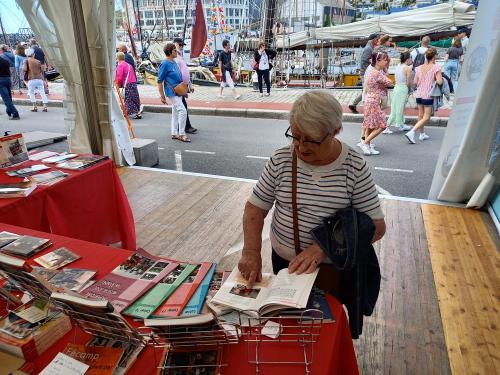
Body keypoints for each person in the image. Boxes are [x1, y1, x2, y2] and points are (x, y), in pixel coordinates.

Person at [237, 91, 385, 285]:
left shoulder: (354, 167)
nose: (301, 147)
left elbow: (377, 227)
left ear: (335, 130)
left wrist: (323, 246)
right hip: (284, 264)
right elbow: (255, 209)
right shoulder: (281, 159)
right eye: (296, 137)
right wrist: (251, 251)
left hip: (332, 270)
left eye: (311, 139)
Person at [405, 48, 443, 144]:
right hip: (428, 94)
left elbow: (415, 82)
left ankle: (422, 134)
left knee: (420, 115)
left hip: (419, 93)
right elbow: (439, 82)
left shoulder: (419, 67)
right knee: (427, 117)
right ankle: (412, 131)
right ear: (434, 56)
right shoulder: (436, 67)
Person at [359, 51, 393, 156]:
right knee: (382, 125)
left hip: (370, 99)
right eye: (384, 60)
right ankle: (365, 143)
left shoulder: (371, 71)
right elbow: (390, 83)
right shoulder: (377, 73)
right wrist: (386, 70)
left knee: (370, 125)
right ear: (378, 61)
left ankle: (367, 145)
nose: (386, 61)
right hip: (375, 101)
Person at [157, 42, 190, 143]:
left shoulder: (174, 62)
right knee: (183, 111)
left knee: (175, 112)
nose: (177, 51)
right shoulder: (165, 63)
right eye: (175, 50)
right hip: (171, 92)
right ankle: (182, 134)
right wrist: (162, 96)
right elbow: (159, 81)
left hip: (178, 91)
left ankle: (174, 132)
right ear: (170, 52)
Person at [349, 33, 379, 114]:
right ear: (373, 40)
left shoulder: (370, 47)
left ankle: (353, 104)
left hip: (366, 72)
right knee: (366, 91)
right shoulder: (369, 48)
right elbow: (364, 60)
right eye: (377, 39)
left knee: (364, 90)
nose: (377, 41)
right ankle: (366, 110)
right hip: (365, 73)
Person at [174, 37, 197, 134]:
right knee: (182, 108)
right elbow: (175, 73)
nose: (182, 46)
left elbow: (185, 71)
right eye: (180, 45)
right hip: (178, 86)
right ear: (174, 44)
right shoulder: (174, 58)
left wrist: (189, 85)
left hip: (183, 86)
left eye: (182, 45)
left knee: (181, 108)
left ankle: (180, 128)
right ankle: (183, 128)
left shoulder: (180, 56)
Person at [386, 52, 413, 133]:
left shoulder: (398, 66)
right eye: (410, 58)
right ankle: (386, 126)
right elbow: (408, 82)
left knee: (396, 107)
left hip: (397, 87)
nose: (411, 60)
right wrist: (409, 89)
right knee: (398, 108)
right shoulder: (407, 68)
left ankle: (401, 124)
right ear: (407, 59)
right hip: (403, 88)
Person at [115, 52, 142, 119]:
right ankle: (138, 113)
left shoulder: (120, 65)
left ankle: (129, 113)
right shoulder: (129, 65)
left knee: (128, 99)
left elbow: (119, 77)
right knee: (135, 98)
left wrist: (118, 85)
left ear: (117, 58)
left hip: (127, 84)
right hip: (133, 83)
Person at [23, 47, 49, 112]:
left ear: (26, 55)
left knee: (31, 93)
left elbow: (24, 69)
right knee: (42, 92)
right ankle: (45, 107)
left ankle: (34, 107)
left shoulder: (26, 61)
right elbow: (42, 70)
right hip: (39, 79)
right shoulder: (38, 61)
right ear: (33, 54)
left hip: (31, 79)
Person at [0, 51, 20, 120]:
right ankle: (9, 111)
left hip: (1, 80)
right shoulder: (5, 61)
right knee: (9, 97)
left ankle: (15, 113)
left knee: (6, 98)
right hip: (7, 79)